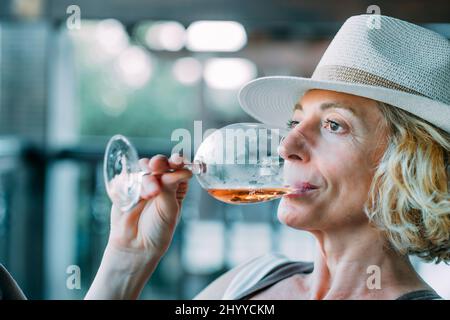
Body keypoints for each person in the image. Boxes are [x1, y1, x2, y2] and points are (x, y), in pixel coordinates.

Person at [1, 14, 448, 300]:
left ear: (407, 165)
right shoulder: (256, 279)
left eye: (334, 125)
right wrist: (128, 259)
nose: (286, 147)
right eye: (296, 122)